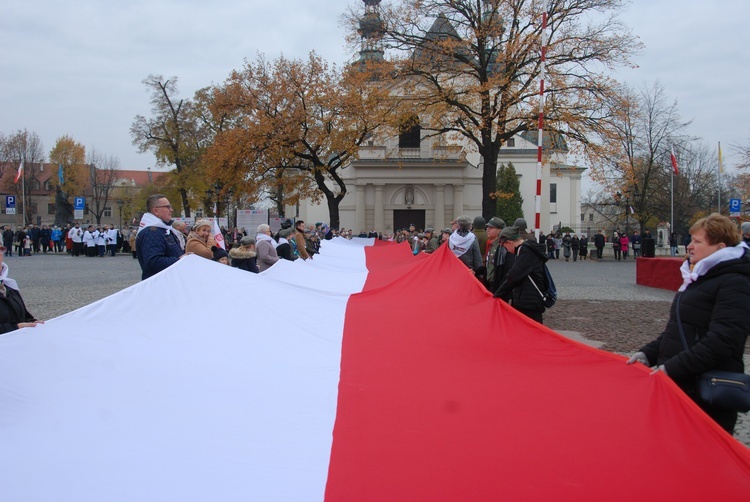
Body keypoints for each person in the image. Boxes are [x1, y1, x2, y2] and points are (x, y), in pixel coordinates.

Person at [627, 213, 750, 434]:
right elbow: (679, 328)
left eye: (697, 241)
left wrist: (672, 368)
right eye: (691, 240)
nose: (689, 246)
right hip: (684, 385)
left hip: (705, 391)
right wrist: (649, 354)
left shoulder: (735, 282)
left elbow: (723, 340)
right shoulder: (700, 277)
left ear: (720, 247)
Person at [494, 226, 548, 324]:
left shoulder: (526, 252)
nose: (506, 250)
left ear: (509, 243)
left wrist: (496, 296)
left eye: (505, 247)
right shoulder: (524, 250)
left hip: (529, 303)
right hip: (527, 300)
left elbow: (513, 277)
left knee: (532, 334)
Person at [136, 194, 184, 280]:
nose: (171, 210)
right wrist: (180, 260)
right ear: (156, 211)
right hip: (159, 284)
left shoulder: (162, 229)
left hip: (167, 281)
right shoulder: (151, 232)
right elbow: (153, 262)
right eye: (168, 207)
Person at [0, 245, 43, 334]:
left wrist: (32, 322)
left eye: (1, 250)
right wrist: (14, 328)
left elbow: (22, 316)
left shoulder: (9, 286)